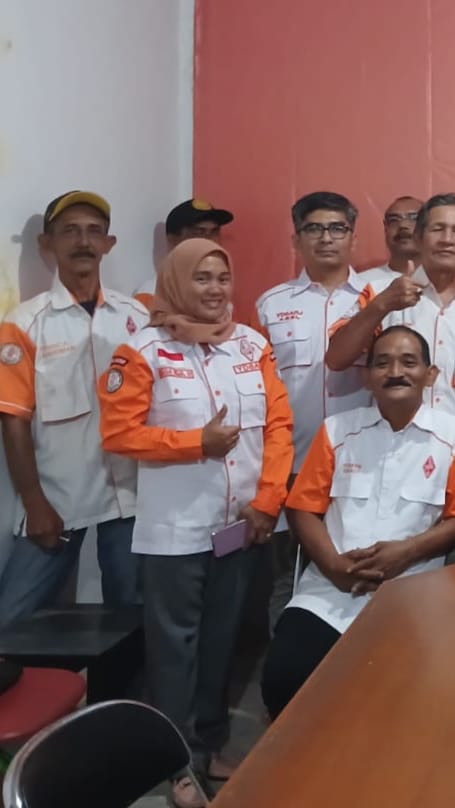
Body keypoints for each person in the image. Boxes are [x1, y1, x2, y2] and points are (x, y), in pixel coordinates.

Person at [98, 239, 294, 786]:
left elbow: (278, 427)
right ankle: (176, 765)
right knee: (173, 648)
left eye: (222, 278)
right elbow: (118, 433)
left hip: (240, 526)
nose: (214, 289)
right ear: (176, 283)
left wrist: (267, 502)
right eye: (201, 278)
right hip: (175, 530)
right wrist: (194, 444)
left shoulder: (252, 345)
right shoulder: (143, 350)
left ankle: (208, 744)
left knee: (221, 640)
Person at [261, 325, 455, 716]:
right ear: (367, 377)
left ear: (430, 374)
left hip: (414, 592)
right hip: (330, 591)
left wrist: (407, 553)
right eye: (382, 363)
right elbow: (302, 508)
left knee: (398, 697)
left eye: (408, 362)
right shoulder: (337, 430)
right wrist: (334, 566)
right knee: (284, 680)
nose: (395, 372)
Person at [0, 191, 149, 627]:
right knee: (12, 621)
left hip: (131, 497)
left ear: (109, 243)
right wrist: (34, 502)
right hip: (59, 498)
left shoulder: (136, 317)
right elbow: (13, 421)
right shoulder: (25, 323)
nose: (83, 242)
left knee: (132, 621)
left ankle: (123, 677)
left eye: (94, 232)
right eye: (70, 231)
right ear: (47, 244)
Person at [326, 193, 455, 467]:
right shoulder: (380, 293)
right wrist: (382, 305)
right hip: (393, 458)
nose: (447, 239)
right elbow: (336, 358)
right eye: (437, 229)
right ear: (419, 238)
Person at [254, 192, 373, 627]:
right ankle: (285, 660)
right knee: (285, 576)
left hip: (361, 466)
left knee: (359, 566)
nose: (326, 238)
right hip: (291, 462)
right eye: (314, 229)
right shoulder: (271, 305)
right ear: (296, 239)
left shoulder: (378, 298)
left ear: (353, 238)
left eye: (337, 228)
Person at [134, 198, 235, 309]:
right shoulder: (151, 295)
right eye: (198, 232)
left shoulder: (219, 294)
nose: (209, 240)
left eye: (214, 232)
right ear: (173, 240)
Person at [355, 195, 423, 293]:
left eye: (414, 218)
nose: (403, 225)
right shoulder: (360, 284)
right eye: (394, 220)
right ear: (385, 227)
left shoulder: (443, 282)